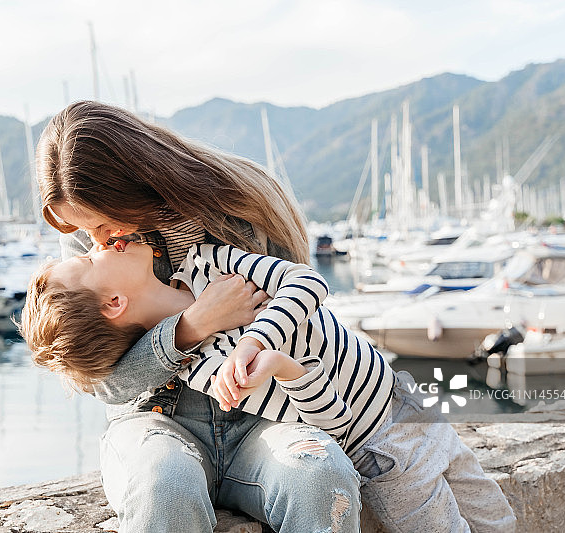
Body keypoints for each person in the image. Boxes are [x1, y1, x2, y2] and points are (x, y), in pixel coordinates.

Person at [20, 240, 518, 533]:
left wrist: (257, 335)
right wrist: (278, 365)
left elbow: (306, 282)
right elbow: (332, 422)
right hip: (382, 447)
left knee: (499, 520)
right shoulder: (210, 370)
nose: (97, 243)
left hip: (406, 401)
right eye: (87, 258)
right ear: (112, 304)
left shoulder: (203, 258)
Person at [34, 100, 362, 533]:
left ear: (129, 185)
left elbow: (299, 317)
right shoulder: (89, 252)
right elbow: (103, 382)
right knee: (163, 488)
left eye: (100, 223)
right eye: (83, 230)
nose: (95, 241)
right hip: (154, 421)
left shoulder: (245, 199)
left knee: (321, 477)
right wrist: (191, 325)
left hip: (264, 419)